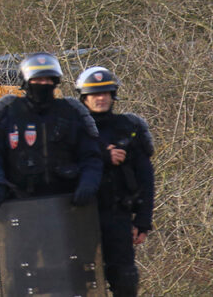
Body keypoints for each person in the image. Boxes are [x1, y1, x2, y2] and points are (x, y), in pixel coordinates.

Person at [0, 52, 103, 215]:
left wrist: (88, 184)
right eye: (38, 79)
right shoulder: (8, 112)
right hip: (18, 204)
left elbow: (91, 157)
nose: (43, 84)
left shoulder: (71, 113)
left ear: (55, 81)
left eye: (48, 79)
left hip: (65, 206)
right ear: (27, 81)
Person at [75, 66, 155, 297]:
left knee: (125, 279)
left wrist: (142, 220)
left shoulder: (129, 127)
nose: (101, 98)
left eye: (106, 93)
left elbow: (145, 177)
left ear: (113, 95)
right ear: (84, 97)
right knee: (80, 282)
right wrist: (101, 155)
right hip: (78, 217)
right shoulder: (73, 129)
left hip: (117, 215)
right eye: (94, 94)